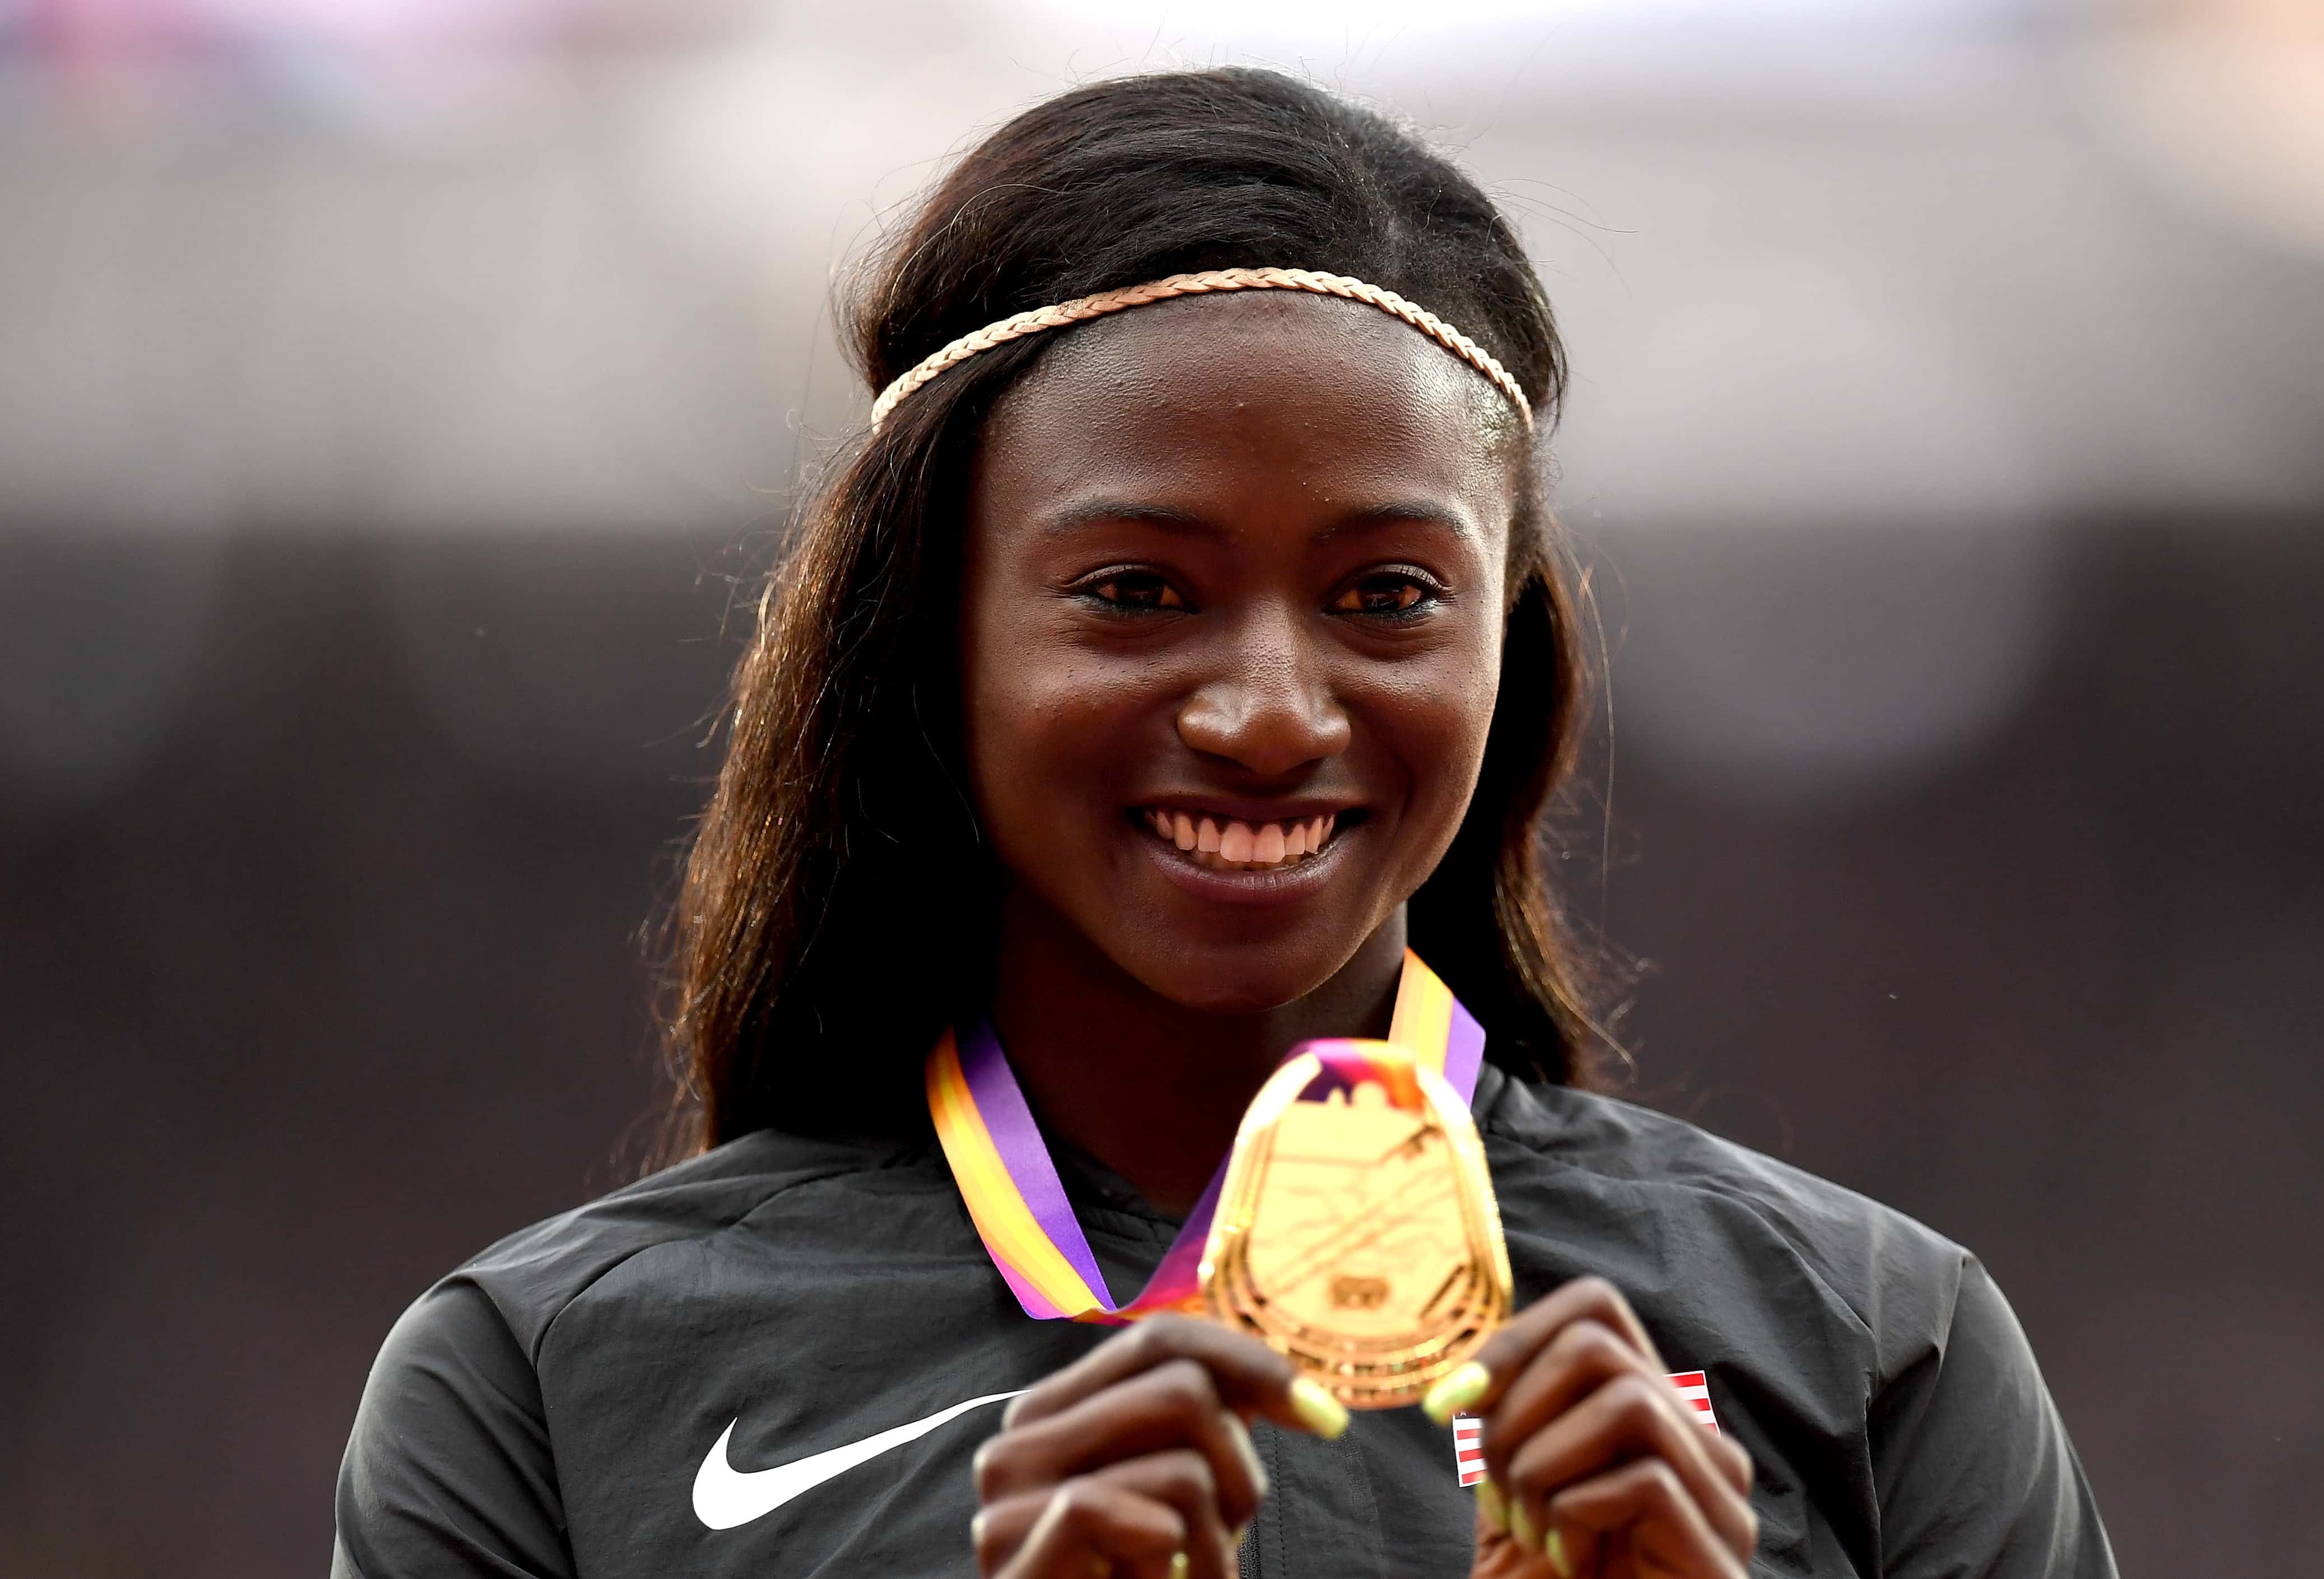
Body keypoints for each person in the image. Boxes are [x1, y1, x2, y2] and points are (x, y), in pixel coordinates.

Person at [332, 67, 2116, 1579]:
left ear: (1517, 643)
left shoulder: (1868, 1344)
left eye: (1390, 594)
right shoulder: (551, 1384)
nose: (1272, 711)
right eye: (1133, 588)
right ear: (926, 632)